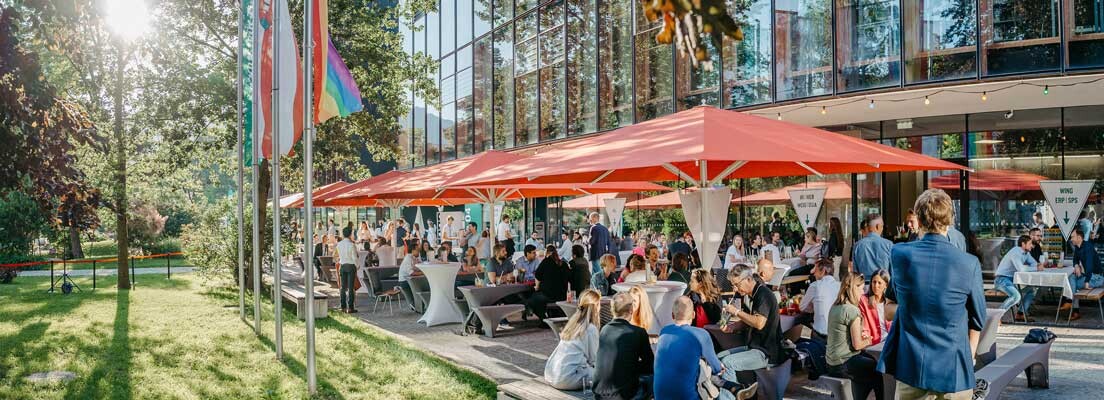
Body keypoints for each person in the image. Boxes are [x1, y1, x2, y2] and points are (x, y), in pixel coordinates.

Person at [877, 189, 986, 400]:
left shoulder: (900, 254)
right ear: (950, 219)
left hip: (911, 367)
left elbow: (888, 310)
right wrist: (969, 357)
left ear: (918, 219)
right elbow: (978, 320)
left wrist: (913, 308)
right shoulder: (968, 263)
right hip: (954, 370)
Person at [655, 296, 757, 400]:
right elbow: (717, 369)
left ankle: (734, 388)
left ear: (672, 315)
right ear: (694, 315)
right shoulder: (700, 334)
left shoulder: (664, 331)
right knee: (705, 370)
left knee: (699, 367)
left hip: (660, 394)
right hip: (687, 395)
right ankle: (733, 388)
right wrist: (718, 366)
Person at [718, 264, 784, 391]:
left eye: (737, 284)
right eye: (734, 285)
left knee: (727, 363)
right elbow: (750, 320)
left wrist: (736, 312)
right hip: (756, 346)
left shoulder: (763, 294)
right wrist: (733, 327)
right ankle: (740, 390)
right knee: (718, 358)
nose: (736, 289)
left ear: (748, 279)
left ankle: (734, 393)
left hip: (766, 352)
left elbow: (759, 323)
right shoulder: (754, 294)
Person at [827, 273, 884, 400]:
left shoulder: (835, 307)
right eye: (861, 288)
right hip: (844, 363)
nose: (863, 292)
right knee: (878, 370)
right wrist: (868, 339)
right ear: (853, 288)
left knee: (869, 363)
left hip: (831, 362)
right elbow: (857, 344)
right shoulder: (852, 310)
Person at [592, 292, 654, 400]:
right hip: (623, 395)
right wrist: (631, 365)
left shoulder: (605, 329)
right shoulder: (638, 332)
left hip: (599, 393)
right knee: (654, 378)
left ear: (613, 310)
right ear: (631, 310)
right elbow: (649, 365)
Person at [545, 289, 602, 390]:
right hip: (568, 378)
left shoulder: (573, 323)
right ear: (596, 306)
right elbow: (594, 359)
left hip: (552, 374)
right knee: (606, 374)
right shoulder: (590, 328)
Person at [994, 235, 1041, 322]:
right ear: (1023, 244)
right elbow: (1021, 269)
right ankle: (996, 317)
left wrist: (1035, 266)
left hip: (1013, 281)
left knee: (1032, 289)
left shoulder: (1026, 253)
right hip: (1002, 280)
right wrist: (1036, 268)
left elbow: (1034, 263)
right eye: (1030, 243)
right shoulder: (1015, 252)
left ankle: (1020, 314)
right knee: (1016, 296)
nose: (1032, 246)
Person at [1063, 228, 1102, 321]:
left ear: (1079, 237)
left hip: (1096, 277)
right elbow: (1075, 259)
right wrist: (1076, 265)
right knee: (1071, 277)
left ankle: (1072, 305)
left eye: (1073, 237)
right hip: (1089, 276)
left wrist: (1087, 281)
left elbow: (1089, 266)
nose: (1071, 239)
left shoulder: (1088, 247)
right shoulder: (1078, 247)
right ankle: (1073, 307)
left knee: (1072, 283)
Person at [795, 259, 840, 341]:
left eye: (815, 270)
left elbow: (802, 307)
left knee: (799, 319)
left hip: (822, 333)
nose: (813, 273)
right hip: (838, 333)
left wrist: (813, 308)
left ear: (823, 271)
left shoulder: (815, 286)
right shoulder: (840, 285)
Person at [527, 244, 572, 322]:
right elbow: (569, 278)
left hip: (548, 296)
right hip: (562, 295)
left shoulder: (546, 262)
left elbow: (537, 275)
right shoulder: (563, 264)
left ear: (547, 253)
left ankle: (544, 319)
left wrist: (537, 287)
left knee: (531, 300)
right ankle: (551, 316)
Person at [852, 214, 893, 281]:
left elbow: (855, 273)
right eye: (882, 226)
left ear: (867, 227)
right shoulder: (889, 245)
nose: (882, 229)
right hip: (883, 286)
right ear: (878, 226)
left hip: (863, 287)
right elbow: (892, 271)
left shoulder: (857, 245)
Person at [859, 269, 892, 345]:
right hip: (873, 343)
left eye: (879, 283)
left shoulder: (891, 302)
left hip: (890, 342)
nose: (876, 285)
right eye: (874, 282)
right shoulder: (863, 300)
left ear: (886, 285)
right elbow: (863, 325)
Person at [335, 227, 359, 313]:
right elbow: (354, 257)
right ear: (349, 234)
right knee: (351, 287)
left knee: (343, 287)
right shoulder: (352, 244)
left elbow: (337, 255)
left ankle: (343, 306)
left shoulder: (339, 244)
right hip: (351, 265)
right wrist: (358, 266)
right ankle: (351, 307)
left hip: (342, 265)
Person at [397, 244, 422, 312]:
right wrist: (424, 273)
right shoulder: (408, 258)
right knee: (415, 296)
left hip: (410, 280)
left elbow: (418, 267)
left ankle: (419, 306)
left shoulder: (414, 257)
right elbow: (412, 273)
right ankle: (416, 306)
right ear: (413, 250)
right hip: (405, 281)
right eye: (417, 250)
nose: (419, 251)